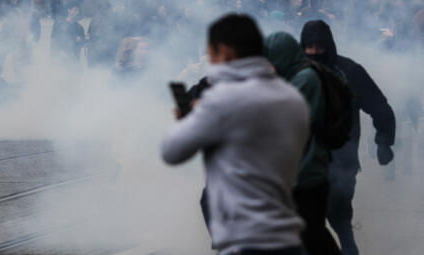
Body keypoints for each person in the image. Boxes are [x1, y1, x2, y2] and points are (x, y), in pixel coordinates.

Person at [161, 14, 309, 255]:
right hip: (287, 237)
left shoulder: (221, 99)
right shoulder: (292, 97)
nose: (210, 60)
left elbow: (172, 151)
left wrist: (190, 119)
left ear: (225, 51)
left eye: (211, 53)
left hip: (245, 240)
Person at [300, 20, 396, 255]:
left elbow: (379, 106)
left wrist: (384, 140)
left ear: (329, 45)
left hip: (341, 162)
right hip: (302, 164)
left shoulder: (349, 71)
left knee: (340, 218)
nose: (315, 51)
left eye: (320, 45)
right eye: (309, 46)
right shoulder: (296, 73)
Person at [264, 32, 341, 255]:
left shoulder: (305, 79)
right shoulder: (294, 75)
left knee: (309, 236)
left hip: (306, 177)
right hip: (301, 175)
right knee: (312, 236)